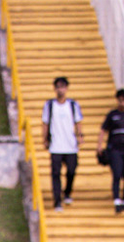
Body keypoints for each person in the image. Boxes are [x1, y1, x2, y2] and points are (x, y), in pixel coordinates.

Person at [43, 76, 83, 210]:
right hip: (56, 146)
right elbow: (45, 123)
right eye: (58, 87)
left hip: (70, 145)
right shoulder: (49, 105)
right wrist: (44, 138)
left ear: (66, 88)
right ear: (55, 89)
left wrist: (80, 135)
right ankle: (57, 201)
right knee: (55, 174)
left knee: (71, 171)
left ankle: (67, 192)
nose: (60, 89)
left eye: (63, 87)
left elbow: (78, 121)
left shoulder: (72, 105)